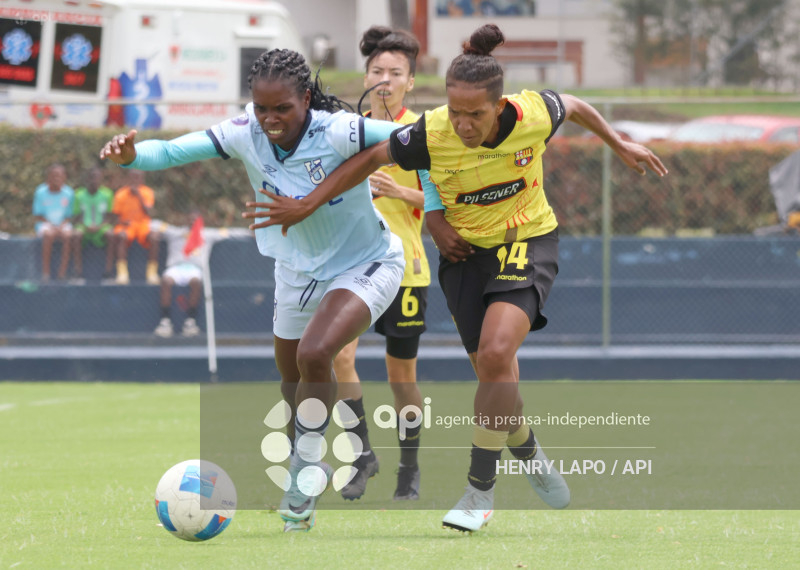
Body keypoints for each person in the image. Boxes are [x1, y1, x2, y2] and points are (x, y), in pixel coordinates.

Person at [245, 24, 668, 533]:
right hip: (464, 257)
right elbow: (372, 158)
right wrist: (310, 203)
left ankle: (478, 492)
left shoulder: (533, 112)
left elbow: (574, 104)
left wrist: (619, 143)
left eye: (475, 114)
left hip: (526, 242)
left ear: (500, 104)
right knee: (495, 377)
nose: (463, 125)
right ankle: (529, 452)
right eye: (455, 111)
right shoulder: (433, 132)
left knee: (494, 356)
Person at [100, 48, 410, 533]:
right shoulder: (245, 131)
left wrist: (313, 202)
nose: (270, 119)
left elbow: (409, 140)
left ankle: (303, 482)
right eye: (262, 108)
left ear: (306, 98)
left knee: (317, 353)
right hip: (296, 271)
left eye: (282, 108)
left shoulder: (334, 131)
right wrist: (132, 156)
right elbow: (171, 151)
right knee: (292, 386)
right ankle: (309, 465)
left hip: (367, 262)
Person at [332, 25, 429, 502]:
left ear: (411, 81)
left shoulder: (425, 132)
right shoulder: (346, 129)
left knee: (401, 380)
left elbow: (448, 204)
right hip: (352, 270)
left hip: (407, 269)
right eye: (377, 71)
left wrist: (399, 190)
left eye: (396, 72)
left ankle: (409, 468)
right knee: (338, 358)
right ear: (365, 75)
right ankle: (360, 456)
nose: (385, 79)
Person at [152, 211, 252, 338]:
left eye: (195, 219)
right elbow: (154, 224)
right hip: (175, 268)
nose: (192, 222)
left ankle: (190, 321)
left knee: (196, 282)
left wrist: (251, 232)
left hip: (194, 269)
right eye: (190, 219)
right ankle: (165, 321)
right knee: (166, 280)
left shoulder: (207, 234)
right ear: (186, 220)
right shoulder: (175, 232)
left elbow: (230, 233)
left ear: (200, 221)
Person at [111, 169, 160, 285]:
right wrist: (123, 222)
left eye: (138, 178)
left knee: (154, 237)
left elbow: (149, 212)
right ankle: (122, 273)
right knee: (121, 236)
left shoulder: (147, 192)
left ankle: (152, 273)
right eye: (133, 177)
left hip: (143, 225)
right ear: (129, 178)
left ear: (142, 179)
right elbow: (115, 216)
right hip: (127, 226)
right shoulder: (121, 193)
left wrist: (138, 195)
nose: (135, 180)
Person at [71, 166, 115, 283]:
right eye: (92, 177)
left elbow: (109, 217)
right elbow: (76, 216)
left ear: (101, 179)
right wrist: (86, 226)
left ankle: (108, 273)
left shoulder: (107, 194)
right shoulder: (78, 194)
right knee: (76, 235)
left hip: (101, 227)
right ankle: (78, 273)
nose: (94, 180)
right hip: (84, 226)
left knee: (111, 235)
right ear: (87, 179)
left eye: (97, 178)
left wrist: (99, 226)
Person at [32, 163, 74, 282]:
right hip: (45, 224)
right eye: (54, 175)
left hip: (63, 224)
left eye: (59, 176)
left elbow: (69, 216)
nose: (56, 178)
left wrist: (60, 226)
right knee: (48, 235)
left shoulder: (69, 193)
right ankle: (46, 273)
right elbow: (38, 215)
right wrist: (52, 226)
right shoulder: (40, 192)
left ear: (64, 177)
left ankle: (62, 274)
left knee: (68, 236)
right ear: (48, 178)